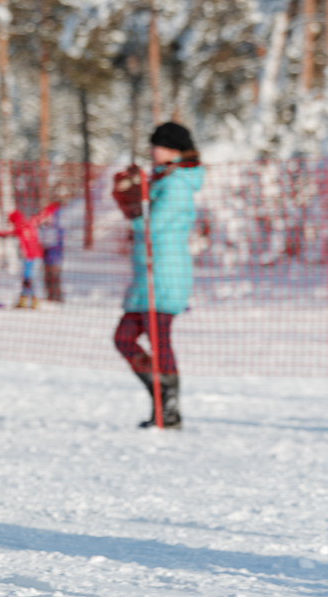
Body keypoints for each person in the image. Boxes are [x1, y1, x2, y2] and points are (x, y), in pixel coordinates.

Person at [111, 121, 203, 429]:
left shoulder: (176, 183)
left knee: (158, 339)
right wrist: (133, 200)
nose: (153, 150)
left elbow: (153, 225)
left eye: (159, 145)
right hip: (147, 273)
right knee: (124, 337)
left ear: (174, 150)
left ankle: (169, 408)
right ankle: (159, 394)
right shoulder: (163, 178)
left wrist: (134, 208)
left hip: (165, 272)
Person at [0, 203, 59, 308]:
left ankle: (30, 300)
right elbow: (40, 216)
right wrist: (51, 208)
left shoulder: (20, 226)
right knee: (27, 278)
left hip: (31, 257)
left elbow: (6, 234)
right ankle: (26, 300)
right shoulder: (29, 223)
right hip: (35, 256)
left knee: (28, 278)